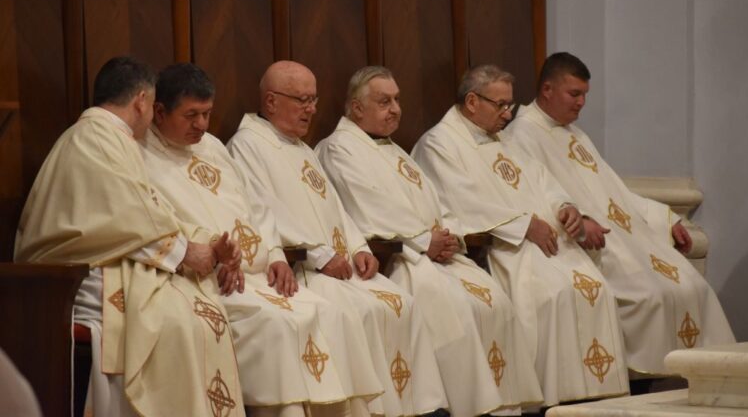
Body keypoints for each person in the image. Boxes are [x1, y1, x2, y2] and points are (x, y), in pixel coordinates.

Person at [140, 63, 383, 417]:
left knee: (326, 313)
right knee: (278, 324)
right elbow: (158, 224)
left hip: (255, 274)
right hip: (206, 280)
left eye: (207, 114)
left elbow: (256, 207)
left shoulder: (212, 147)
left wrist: (275, 256)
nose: (202, 125)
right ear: (160, 112)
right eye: (191, 115)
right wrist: (216, 257)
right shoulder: (142, 155)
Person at [14, 56, 245, 416]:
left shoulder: (107, 137)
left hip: (95, 263)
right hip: (72, 275)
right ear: (141, 101)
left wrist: (207, 243)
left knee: (192, 311)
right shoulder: (97, 136)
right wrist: (189, 253)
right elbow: (129, 218)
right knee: (179, 320)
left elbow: (148, 211)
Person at [315, 66, 543, 416]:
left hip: (435, 256)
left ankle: (500, 408)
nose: (396, 109)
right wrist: (424, 240)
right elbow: (367, 208)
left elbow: (437, 201)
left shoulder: (392, 149)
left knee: (495, 302)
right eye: (384, 102)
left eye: (397, 100)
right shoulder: (339, 149)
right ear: (357, 108)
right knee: (458, 309)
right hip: (400, 260)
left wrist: (449, 235)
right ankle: (461, 408)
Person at [227, 61, 448, 417]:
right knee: (354, 313)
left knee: (401, 303)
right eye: (302, 100)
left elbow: (337, 209)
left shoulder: (301, 147)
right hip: (303, 271)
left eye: (313, 99)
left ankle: (414, 409)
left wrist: (359, 247)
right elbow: (263, 213)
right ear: (270, 101)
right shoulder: (248, 146)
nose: (311, 109)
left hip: (340, 267)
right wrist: (319, 255)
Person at [504, 52, 735, 374]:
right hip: (587, 244)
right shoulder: (521, 136)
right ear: (547, 90)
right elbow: (532, 198)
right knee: (650, 296)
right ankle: (650, 380)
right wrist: (580, 223)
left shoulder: (575, 135)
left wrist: (666, 220)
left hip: (624, 239)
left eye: (585, 94)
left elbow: (616, 193)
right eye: (574, 94)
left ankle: (707, 377)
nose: (582, 103)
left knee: (692, 286)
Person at [412, 65, 629, 406]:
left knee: (598, 289)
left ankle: (594, 402)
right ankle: (550, 400)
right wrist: (524, 225)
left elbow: (543, 181)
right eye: (500, 105)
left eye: (510, 105)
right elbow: (460, 201)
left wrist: (566, 207)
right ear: (472, 102)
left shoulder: (504, 139)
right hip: (504, 247)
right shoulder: (439, 144)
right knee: (553, 293)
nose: (508, 113)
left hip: (546, 241)